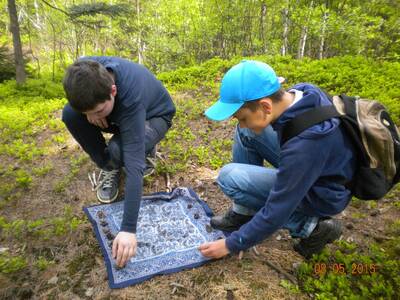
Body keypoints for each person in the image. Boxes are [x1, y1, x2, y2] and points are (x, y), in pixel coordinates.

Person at [199, 60, 356, 259]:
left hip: (323, 193)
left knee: (229, 176)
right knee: (246, 133)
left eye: (243, 117)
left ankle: (312, 227)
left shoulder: (305, 145)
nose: (243, 124)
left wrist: (231, 244)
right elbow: (296, 145)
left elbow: (277, 209)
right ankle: (244, 211)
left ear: (265, 105)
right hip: (319, 167)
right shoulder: (304, 92)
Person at [62, 56, 175, 267]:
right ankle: (109, 166)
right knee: (70, 115)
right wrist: (91, 114)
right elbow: (84, 109)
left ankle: (144, 146)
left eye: (96, 112)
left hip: (154, 117)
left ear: (113, 90)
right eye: (87, 113)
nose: (91, 118)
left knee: (121, 150)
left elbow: (134, 169)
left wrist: (128, 230)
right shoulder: (84, 72)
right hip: (117, 116)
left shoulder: (131, 97)